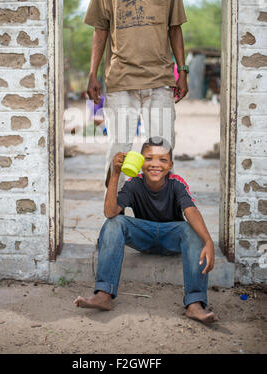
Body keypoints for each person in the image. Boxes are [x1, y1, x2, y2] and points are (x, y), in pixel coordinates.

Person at [84, 0, 189, 189]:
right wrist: (93, 73)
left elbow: (175, 28)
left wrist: (183, 71)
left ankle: (158, 215)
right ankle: (114, 214)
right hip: (121, 81)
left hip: (159, 82)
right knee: (119, 151)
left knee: (161, 151)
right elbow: (100, 30)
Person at [74, 137, 217, 324]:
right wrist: (115, 173)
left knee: (192, 230)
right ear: (140, 162)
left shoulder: (177, 183)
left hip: (171, 238)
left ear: (171, 164)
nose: (155, 164)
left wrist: (208, 241)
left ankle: (194, 303)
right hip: (144, 236)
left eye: (162, 160)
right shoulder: (134, 183)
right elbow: (110, 212)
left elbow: (191, 211)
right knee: (114, 222)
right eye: (148, 158)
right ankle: (104, 294)